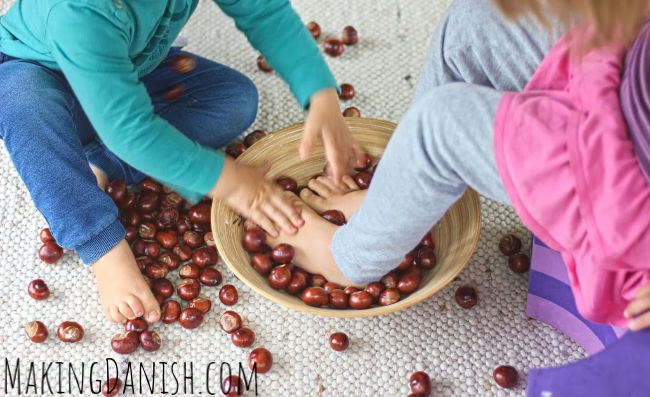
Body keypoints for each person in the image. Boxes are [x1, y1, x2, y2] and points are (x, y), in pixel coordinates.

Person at [269, 0, 650, 331]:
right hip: (617, 78)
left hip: (618, 193)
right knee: (475, 19)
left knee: (440, 126)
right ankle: (399, 195)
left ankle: (348, 259)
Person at [0, 0, 363, 323]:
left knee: (234, 99)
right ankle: (102, 247)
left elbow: (264, 11)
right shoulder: (76, 10)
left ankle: (102, 165)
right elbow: (130, 130)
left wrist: (320, 94)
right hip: (40, 74)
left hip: (128, 70)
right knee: (21, 105)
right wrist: (232, 183)